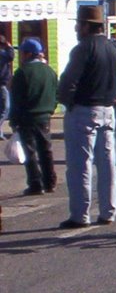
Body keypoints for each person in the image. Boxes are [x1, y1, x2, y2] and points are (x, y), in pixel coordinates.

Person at [56, 4, 116, 228]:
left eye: (78, 24)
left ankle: (80, 214)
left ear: (86, 26)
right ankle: (108, 210)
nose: (77, 29)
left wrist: (67, 101)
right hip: (108, 110)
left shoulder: (84, 48)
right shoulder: (115, 49)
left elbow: (68, 81)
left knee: (80, 165)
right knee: (107, 164)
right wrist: (114, 100)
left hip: (85, 110)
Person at [9, 37, 58, 195]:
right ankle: (50, 182)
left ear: (29, 54)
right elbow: (55, 93)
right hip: (44, 116)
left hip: (27, 117)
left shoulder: (22, 73)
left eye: (22, 52)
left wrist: (14, 119)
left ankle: (35, 183)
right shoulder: (50, 71)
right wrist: (51, 109)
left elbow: (16, 99)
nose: (21, 55)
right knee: (46, 149)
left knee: (30, 151)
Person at [0, 34, 14, 139]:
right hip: (1, 85)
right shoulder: (2, 54)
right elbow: (10, 56)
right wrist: (9, 47)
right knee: (6, 108)